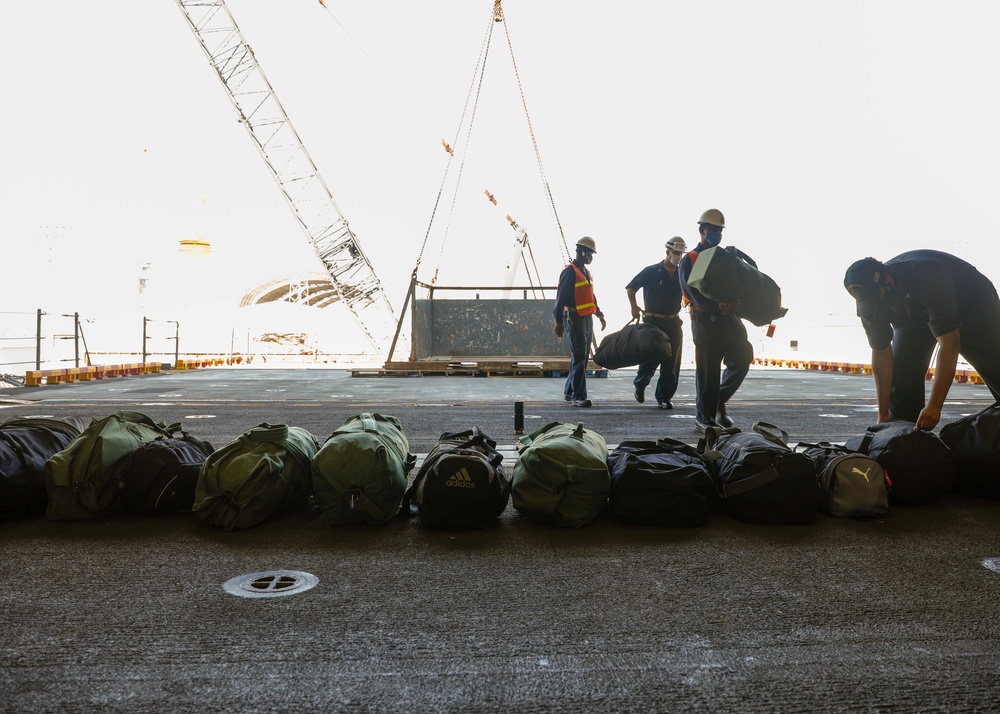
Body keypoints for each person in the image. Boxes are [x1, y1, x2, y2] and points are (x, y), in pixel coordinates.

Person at [843, 250, 1000, 431]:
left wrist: (935, 406)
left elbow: (950, 344)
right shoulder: (870, 305)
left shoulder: (926, 275)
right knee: (902, 374)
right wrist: (883, 414)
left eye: (876, 299)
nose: (875, 306)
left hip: (973, 307)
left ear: (887, 282)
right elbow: (881, 353)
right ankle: (905, 441)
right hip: (916, 315)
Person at [677, 209, 754, 431]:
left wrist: (738, 253)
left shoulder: (724, 256)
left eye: (719, 231)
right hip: (705, 320)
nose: (716, 234)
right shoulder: (689, 259)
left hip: (728, 319)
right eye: (712, 230)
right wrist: (716, 306)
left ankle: (718, 400)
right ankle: (705, 417)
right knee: (708, 371)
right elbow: (690, 293)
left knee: (743, 356)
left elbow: (752, 269)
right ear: (702, 231)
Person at [625, 236, 687, 409]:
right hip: (653, 322)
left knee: (672, 362)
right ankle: (640, 384)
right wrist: (634, 307)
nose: (678, 256)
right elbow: (631, 288)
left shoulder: (683, 274)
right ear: (667, 251)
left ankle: (664, 397)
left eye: (680, 253)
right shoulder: (651, 271)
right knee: (649, 358)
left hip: (673, 322)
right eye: (675, 252)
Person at [554, 236, 606, 407]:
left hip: (586, 317)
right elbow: (560, 298)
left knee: (582, 356)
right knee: (579, 356)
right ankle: (579, 396)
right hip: (573, 318)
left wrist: (599, 313)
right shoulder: (570, 272)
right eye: (590, 253)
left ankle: (569, 391)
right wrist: (558, 321)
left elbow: (590, 295)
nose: (591, 257)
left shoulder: (586, 273)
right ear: (582, 252)